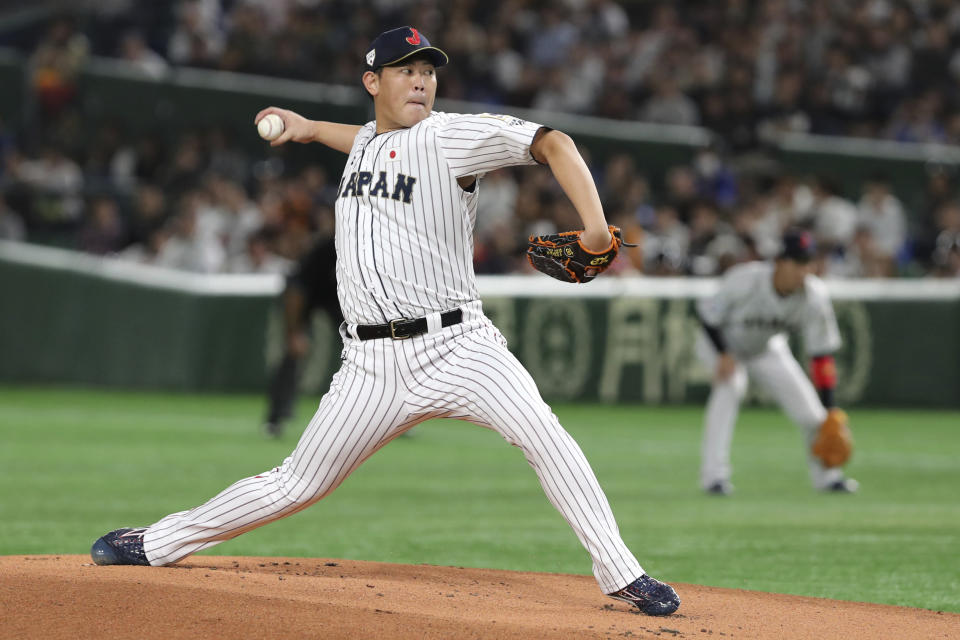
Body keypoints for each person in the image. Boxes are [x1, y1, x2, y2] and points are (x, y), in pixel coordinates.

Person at [90, 26, 680, 617]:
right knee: (299, 482)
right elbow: (368, 141)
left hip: (458, 346)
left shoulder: (452, 136)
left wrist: (599, 233)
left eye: (427, 70)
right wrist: (311, 128)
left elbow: (556, 143)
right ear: (373, 82)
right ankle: (157, 541)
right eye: (405, 70)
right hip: (370, 366)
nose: (421, 79)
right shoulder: (369, 141)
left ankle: (623, 573)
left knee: (544, 437)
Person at [694, 229, 858, 495]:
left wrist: (830, 409)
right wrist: (723, 354)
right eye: (797, 262)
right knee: (730, 389)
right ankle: (714, 478)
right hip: (722, 342)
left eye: (808, 263)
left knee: (813, 414)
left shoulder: (814, 295)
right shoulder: (746, 279)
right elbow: (708, 315)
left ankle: (829, 478)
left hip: (767, 347)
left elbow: (821, 355)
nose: (803, 270)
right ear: (780, 262)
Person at [262, 234, 342, 438]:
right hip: (301, 301)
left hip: (336, 299)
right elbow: (296, 292)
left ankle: (395, 418)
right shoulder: (326, 249)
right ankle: (275, 418)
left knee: (374, 349)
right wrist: (294, 333)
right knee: (291, 354)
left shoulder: (369, 250)